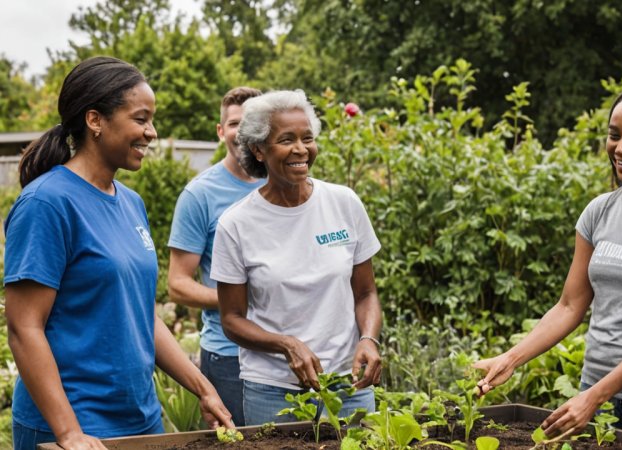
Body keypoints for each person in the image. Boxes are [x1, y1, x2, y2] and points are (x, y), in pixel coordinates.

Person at [4, 56, 234, 450]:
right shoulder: (47, 204)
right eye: (141, 119)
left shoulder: (131, 202)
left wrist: (202, 388)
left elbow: (141, 313)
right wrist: (69, 433)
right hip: (74, 429)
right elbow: (24, 328)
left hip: (140, 420)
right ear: (95, 120)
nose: (152, 132)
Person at [473, 80, 622, 444]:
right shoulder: (599, 212)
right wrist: (510, 359)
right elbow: (570, 305)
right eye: (614, 135)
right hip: (598, 396)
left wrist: (595, 395)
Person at [210, 90, 382, 425]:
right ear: (259, 149)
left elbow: (366, 293)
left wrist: (368, 339)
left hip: (348, 383)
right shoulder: (236, 224)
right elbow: (231, 319)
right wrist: (287, 345)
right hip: (273, 391)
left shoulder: (344, 203)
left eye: (307, 138)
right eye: (286, 139)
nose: (301, 149)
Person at [168, 86, 263, 426]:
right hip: (228, 356)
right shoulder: (200, 195)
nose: (242, 131)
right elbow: (178, 285)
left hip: (287, 349)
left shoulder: (288, 185)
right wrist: (240, 301)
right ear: (221, 131)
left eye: (251, 122)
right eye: (235, 123)